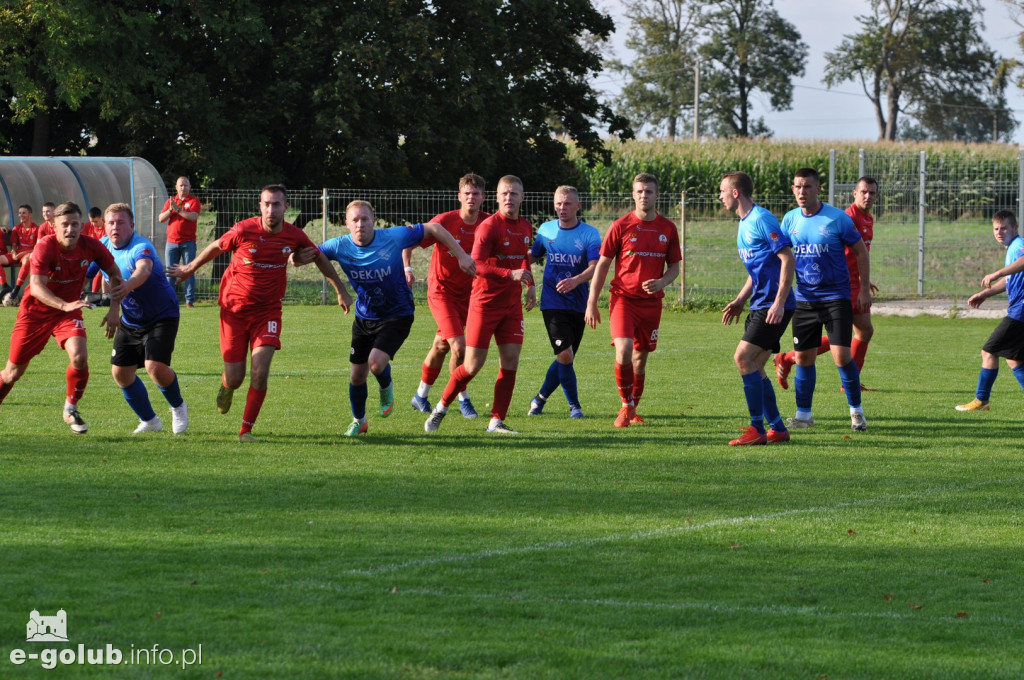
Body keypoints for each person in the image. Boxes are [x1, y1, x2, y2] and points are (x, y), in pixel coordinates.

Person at [167, 184, 349, 442]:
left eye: (276, 204)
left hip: (268, 312)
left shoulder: (293, 235)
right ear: (260, 206)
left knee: (260, 371)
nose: (271, 209)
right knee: (236, 376)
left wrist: (340, 290)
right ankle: (227, 385)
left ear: (286, 207)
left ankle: (246, 430)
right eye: (267, 204)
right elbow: (216, 247)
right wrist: (190, 268)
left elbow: (318, 257)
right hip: (234, 310)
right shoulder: (244, 229)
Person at [319, 201, 475, 436]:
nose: (360, 224)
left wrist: (462, 255)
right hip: (364, 316)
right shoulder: (339, 245)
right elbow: (311, 256)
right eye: (355, 220)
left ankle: (386, 385)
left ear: (373, 220)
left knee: (375, 363)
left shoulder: (393, 237)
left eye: (365, 219)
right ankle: (359, 420)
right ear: (346, 223)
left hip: (398, 314)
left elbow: (434, 229)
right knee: (356, 375)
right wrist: (339, 289)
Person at [424, 175, 535, 434]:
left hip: (511, 306)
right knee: (472, 365)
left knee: (510, 362)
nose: (509, 198)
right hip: (484, 303)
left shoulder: (526, 227)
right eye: (504, 193)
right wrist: (509, 275)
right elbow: (477, 265)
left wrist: (530, 286)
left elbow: (523, 260)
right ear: (496, 197)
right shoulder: (489, 227)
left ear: (522, 197)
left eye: (514, 193)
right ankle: (441, 407)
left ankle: (496, 421)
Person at [0, 201, 124, 433]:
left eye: (75, 224)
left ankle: (70, 409)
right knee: (12, 373)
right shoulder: (45, 246)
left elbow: (116, 275)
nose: (70, 229)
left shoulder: (92, 246)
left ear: (81, 226)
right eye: (65, 225)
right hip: (34, 313)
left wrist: (114, 310)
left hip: (68, 311)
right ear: (54, 227)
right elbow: (36, 287)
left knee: (79, 356)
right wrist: (64, 305)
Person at [584, 172, 681, 428]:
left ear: (656, 195)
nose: (643, 195)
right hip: (623, 300)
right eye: (639, 191)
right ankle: (626, 406)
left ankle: (633, 407)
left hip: (651, 304)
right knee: (624, 349)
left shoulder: (668, 228)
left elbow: (674, 268)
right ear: (633, 195)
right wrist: (592, 302)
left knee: (640, 358)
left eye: (648, 191)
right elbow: (603, 265)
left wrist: (662, 282)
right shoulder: (620, 226)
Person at [780, 167, 871, 432]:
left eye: (807, 187)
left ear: (818, 189)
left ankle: (857, 412)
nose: (801, 191)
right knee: (803, 358)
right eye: (797, 186)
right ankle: (803, 415)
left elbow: (861, 251)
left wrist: (864, 289)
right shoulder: (789, 220)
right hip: (804, 300)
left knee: (842, 357)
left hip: (835, 298)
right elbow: (783, 257)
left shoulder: (837, 218)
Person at [92, 203, 189, 434]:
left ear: (132, 225)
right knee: (121, 373)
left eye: (120, 222)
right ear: (104, 226)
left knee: (154, 367)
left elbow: (143, 271)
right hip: (132, 319)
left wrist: (127, 286)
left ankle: (178, 406)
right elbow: (83, 268)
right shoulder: (102, 247)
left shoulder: (141, 246)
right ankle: (149, 421)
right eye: (111, 223)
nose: (115, 227)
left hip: (161, 315)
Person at [719, 171, 796, 445]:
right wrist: (740, 299)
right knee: (757, 365)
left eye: (723, 191)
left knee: (742, 358)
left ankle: (756, 429)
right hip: (761, 303)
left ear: (736, 192)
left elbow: (787, 258)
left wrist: (778, 302)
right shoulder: (744, 224)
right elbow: (758, 269)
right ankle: (776, 427)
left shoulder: (761, 219)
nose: (720, 196)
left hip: (773, 305)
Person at [403, 173, 488, 418]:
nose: (471, 198)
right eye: (467, 194)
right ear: (459, 196)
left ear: (483, 197)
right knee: (459, 347)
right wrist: (408, 268)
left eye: (476, 194)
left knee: (441, 346)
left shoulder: (489, 223)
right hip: (441, 293)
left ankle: (421, 396)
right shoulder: (444, 222)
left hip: (470, 296)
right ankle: (462, 398)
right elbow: (409, 242)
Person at [526, 185, 601, 419]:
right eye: (558, 203)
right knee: (566, 354)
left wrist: (576, 281)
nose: (562, 207)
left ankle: (539, 399)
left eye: (567, 203)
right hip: (552, 303)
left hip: (578, 303)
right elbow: (531, 256)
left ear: (578, 206)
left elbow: (595, 266)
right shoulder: (546, 230)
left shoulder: (589, 234)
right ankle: (575, 407)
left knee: (564, 357)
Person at [954, 210, 1024, 412]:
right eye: (996, 229)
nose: (1000, 232)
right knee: (1014, 358)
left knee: (989, 351)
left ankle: (981, 400)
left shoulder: (1018, 245)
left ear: (1015, 228)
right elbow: (1011, 279)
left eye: (1004, 228)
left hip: (1020, 311)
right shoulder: (1012, 248)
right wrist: (986, 293)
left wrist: (996, 272)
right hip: (1019, 309)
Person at [159, 176, 201, 308]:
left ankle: (189, 301)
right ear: (176, 187)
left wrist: (178, 209)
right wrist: (171, 209)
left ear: (189, 187)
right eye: (181, 185)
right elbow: (161, 218)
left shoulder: (194, 201)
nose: (183, 188)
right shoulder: (171, 201)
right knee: (170, 272)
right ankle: (170, 300)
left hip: (188, 242)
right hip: (171, 242)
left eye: (185, 185)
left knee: (188, 270)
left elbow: (193, 217)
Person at [3, 204, 40, 306]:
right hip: (17, 255)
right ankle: (4, 285)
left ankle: (16, 289)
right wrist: (14, 253)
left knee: (27, 260)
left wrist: (22, 253)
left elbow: (36, 248)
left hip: (27, 255)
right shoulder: (16, 228)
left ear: (30, 214)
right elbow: (14, 245)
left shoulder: (36, 229)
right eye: (19, 213)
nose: (21, 215)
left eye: (23, 213)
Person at [86, 207, 106, 294]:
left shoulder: (108, 227)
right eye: (91, 221)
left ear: (101, 217)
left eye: (96, 221)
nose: (93, 224)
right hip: (90, 255)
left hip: (104, 255)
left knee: (101, 270)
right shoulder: (87, 226)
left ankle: (95, 294)